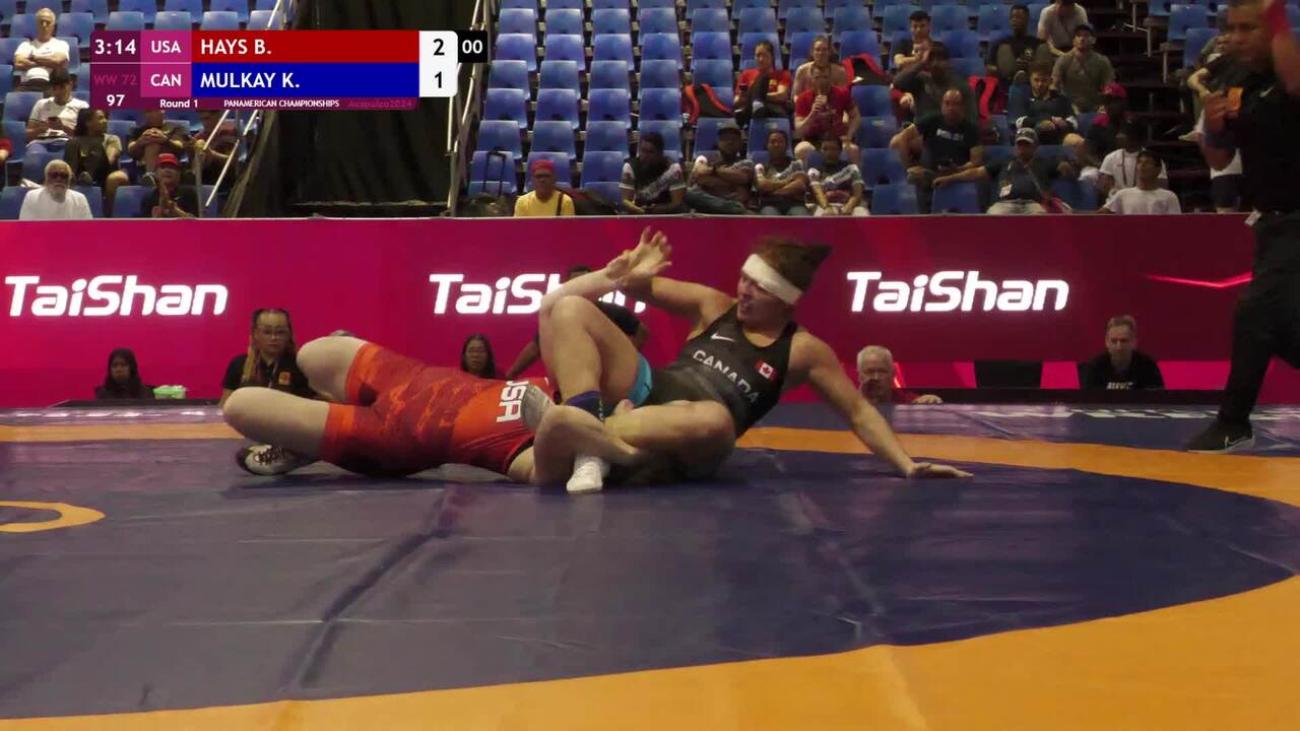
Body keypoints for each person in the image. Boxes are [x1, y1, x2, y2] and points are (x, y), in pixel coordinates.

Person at [529, 229, 973, 492]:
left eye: (758, 288)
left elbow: (857, 411)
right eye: (744, 279)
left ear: (785, 301)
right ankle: (593, 444)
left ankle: (578, 430)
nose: (743, 291)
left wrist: (906, 464)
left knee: (715, 417)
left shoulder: (802, 350)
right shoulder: (713, 305)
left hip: (693, 436)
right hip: (647, 392)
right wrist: (619, 274)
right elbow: (604, 293)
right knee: (568, 309)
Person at [222, 336, 649, 485]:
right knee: (313, 354)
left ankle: (312, 442)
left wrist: (594, 444)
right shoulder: (569, 386)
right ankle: (310, 438)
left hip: (395, 435)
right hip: (409, 377)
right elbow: (564, 320)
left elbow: (546, 476)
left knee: (239, 406)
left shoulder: (527, 451)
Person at [1186, 0, 1300, 452]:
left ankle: (1232, 423)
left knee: (1254, 313)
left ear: (1272, 29)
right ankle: (1233, 423)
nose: (1235, 37)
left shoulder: (1291, 67)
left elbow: (1295, 84)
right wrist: (1213, 128)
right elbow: (1219, 158)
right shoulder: (1236, 81)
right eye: (1230, 28)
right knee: (1281, 328)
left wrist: (1276, 14)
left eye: (1248, 28)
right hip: (1272, 223)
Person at [505, 264, 648, 379]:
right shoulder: (559, 315)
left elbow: (641, 331)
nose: (582, 288)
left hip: (610, 377)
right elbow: (535, 348)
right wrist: (511, 374)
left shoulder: (613, 311)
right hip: (576, 376)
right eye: (577, 283)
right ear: (568, 286)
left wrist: (628, 357)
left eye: (586, 282)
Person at [934, 127, 1076, 214]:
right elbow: (976, 173)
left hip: (1033, 205)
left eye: (1026, 145)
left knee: (1041, 217)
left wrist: (1067, 167)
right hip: (1005, 204)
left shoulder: (1043, 162)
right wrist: (949, 178)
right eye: (1020, 144)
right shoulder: (1004, 161)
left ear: (1035, 147)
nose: (1022, 148)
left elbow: (1067, 171)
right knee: (993, 215)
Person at [891, 88, 983, 212]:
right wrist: (909, 166)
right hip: (930, 173)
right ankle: (922, 217)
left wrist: (957, 169)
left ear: (963, 107)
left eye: (956, 104)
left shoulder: (971, 129)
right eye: (947, 103)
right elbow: (903, 138)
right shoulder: (932, 120)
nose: (951, 108)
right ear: (942, 105)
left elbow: (976, 162)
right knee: (913, 177)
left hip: (957, 174)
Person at [219, 308, 314, 408]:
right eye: (267, 332)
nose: (274, 337)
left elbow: (308, 407)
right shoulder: (239, 364)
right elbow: (225, 405)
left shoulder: (300, 366)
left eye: (280, 332)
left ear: (289, 335)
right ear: (255, 334)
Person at [65, 108, 130, 215]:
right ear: (88, 122)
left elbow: (110, 159)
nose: (105, 121)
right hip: (78, 173)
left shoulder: (112, 139)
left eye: (105, 118)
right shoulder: (76, 141)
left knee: (97, 146)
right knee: (72, 143)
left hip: (105, 172)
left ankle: (87, 178)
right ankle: (76, 179)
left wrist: (91, 156)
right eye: (100, 118)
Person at [793, 64, 861, 164]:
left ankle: (853, 174)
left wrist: (849, 135)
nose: (822, 81)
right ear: (812, 79)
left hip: (837, 139)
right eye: (817, 77)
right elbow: (799, 129)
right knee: (801, 149)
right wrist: (812, 113)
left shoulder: (842, 93)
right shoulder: (803, 98)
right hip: (814, 140)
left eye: (825, 77)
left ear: (830, 78)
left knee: (853, 150)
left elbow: (855, 116)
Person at [685, 120, 755, 214]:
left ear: (740, 143)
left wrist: (713, 172)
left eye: (734, 139)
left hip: (733, 211)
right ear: (718, 142)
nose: (730, 142)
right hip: (714, 207)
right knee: (688, 194)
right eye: (725, 139)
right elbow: (700, 176)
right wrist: (732, 184)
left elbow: (742, 177)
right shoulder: (707, 160)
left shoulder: (747, 163)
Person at [1080, 316, 1164, 389]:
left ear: (1134, 342)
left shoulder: (1148, 367)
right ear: (1106, 342)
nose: (1119, 347)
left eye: (1124, 341)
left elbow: (1156, 399)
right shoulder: (1095, 367)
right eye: (1114, 341)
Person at [1052, 25, 1114, 114]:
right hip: (1070, 107)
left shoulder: (1102, 61)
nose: (1082, 38)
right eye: (1078, 35)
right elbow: (1054, 85)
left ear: (1093, 40)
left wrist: (1104, 105)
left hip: (1095, 106)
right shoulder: (1063, 60)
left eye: (1086, 35)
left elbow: (1109, 86)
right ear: (1073, 40)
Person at [1097, 124, 1169, 201]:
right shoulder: (1111, 157)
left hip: (1145, 200)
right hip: (1117, 201)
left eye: (1122, 134)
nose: (1117, 136)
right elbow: (1103, 185)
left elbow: (1162, 185)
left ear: (1134, 137)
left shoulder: (1153, 158)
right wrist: (1115, 193)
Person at [619, 132, 686, 214]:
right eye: (643, 151)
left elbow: (678, 204)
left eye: (650, 152)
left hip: (667, 214)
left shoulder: (673, 169)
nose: (645, 156)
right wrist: (641, 211)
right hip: (639, 213)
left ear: (660, 153)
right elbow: (626, 202)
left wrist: (656, 210)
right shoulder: (629, 167)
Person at [988, 5, 1055, 87]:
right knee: (1004, 49)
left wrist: (1030, 66)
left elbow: (1048, 67)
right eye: (1012, 17)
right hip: (1007, 82)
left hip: (1033, 82)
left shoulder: (1037, 43)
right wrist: (1006, 69)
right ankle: (1015, 77)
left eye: (1018, 17)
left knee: (1043, 48)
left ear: (1027, 20)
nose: (1014, 20)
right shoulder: (1000, 43)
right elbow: (989, 67)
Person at [1016, 61, 1078, 146]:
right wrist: (1042, 122)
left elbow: (1074, 123)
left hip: (1059, 137)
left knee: (1076, 141)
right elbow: (1018, 122)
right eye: (1036, 80)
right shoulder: (1023, 98)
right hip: (1031, 137)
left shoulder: (1061, 99)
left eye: (1044, 80)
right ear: (1030, 80)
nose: (1040, 84)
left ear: (1050, 80)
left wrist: (1064, 124)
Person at [26, 69, 86, 156]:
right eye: (54, 88)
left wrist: (63, 128)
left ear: (70, 84)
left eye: (62, 87)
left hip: (67, 142)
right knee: (34, 155)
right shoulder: (41, 104)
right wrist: (40, 129)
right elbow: (28, 135)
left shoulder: (81, 106)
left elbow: (84, 137)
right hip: (41, 142)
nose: (58, 92)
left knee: (68, 153)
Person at [734, 40, 792, 128]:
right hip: (751, 109)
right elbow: (736, 101)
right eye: (758, 56)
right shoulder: (746, 74)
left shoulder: (782, 75)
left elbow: (781, 96)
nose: (761, 59)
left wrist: (756, 95)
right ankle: (756, 106)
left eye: (765, 55)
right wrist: (742, 97)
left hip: (774, 110)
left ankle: (754, 106)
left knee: (763, 77)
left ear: (772, 57)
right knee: (755, 106)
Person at [857, 346, 943, 405]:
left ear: (893, 373)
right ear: (859, 375)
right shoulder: (849, 404)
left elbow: (923, 401)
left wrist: (931, 401)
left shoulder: (908, 401)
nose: (876, 377)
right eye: (870, 372)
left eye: (882, 371)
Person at [1102, 150, 1181, 214]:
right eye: (1139, 162)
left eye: (1148, 163)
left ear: (1158, 170)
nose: (1142, 165)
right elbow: (1100, 215)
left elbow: (1175, 223)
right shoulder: (1122, 195)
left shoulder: (1169, 197)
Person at [807, 136, 868, 216]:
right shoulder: (814, 171)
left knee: (861, 214)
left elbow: (857, 193)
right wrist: (827, 207)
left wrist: (849, 206)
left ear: (840, 151)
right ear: (821, 151)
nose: (829, 152)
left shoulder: (852, 168)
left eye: (833, 149)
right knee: (824, 216)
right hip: (825, 205)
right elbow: (817, 193)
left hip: (850, 204)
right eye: (825, 149)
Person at [753, 129, 810, 216]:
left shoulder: (797, 164)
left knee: (801, 216)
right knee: (770, 216)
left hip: (795, 204)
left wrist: (772, 191)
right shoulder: (761, 167)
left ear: (786, 145)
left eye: (780, 142)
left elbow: (799, 185)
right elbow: (763, 185)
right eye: (773, 142)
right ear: (767, 145)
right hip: (769, 205)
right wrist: (790, 181)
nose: (776, 145)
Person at [13, 8, 68, 92]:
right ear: (36, 25)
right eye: (41, 22)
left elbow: (57, 61)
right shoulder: (25, 45)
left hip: (51, 86)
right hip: (26, 85)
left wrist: (33, 58)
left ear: (53, 26)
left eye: (48, 22)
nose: (44, 25)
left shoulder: (61, 44)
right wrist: (47, 63)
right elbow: (18, 63)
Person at [19, 159, 93, 220]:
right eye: (54, 175)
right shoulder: (32, 197)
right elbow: (26, 228)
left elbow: (88, 229)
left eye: (64, 176)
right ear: (46, 179)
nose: (59, 179)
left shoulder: (80, 199)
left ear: (69, 180)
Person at [127, 108, 188, 180]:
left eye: (156, 110)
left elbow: (180, 147)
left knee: (154, 142)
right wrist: (140, 142)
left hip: (169, 162)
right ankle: (150, 176)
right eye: (149, 111)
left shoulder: (176, 128)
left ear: (163, 110)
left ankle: (150, 176)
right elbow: (130, 150)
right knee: (152, 143)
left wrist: (165, 140)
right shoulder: (136, 130)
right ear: (144, 114)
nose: (153, 114)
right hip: (144, 164)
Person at [140, 153, 202, 218]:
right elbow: (144, 223)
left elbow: (195, 221)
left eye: (172, 167)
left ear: (179, 174)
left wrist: (174, 209)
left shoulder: (188, 194)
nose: (167, 170)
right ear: (156, 173)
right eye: (163, 167)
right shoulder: (149, 197)